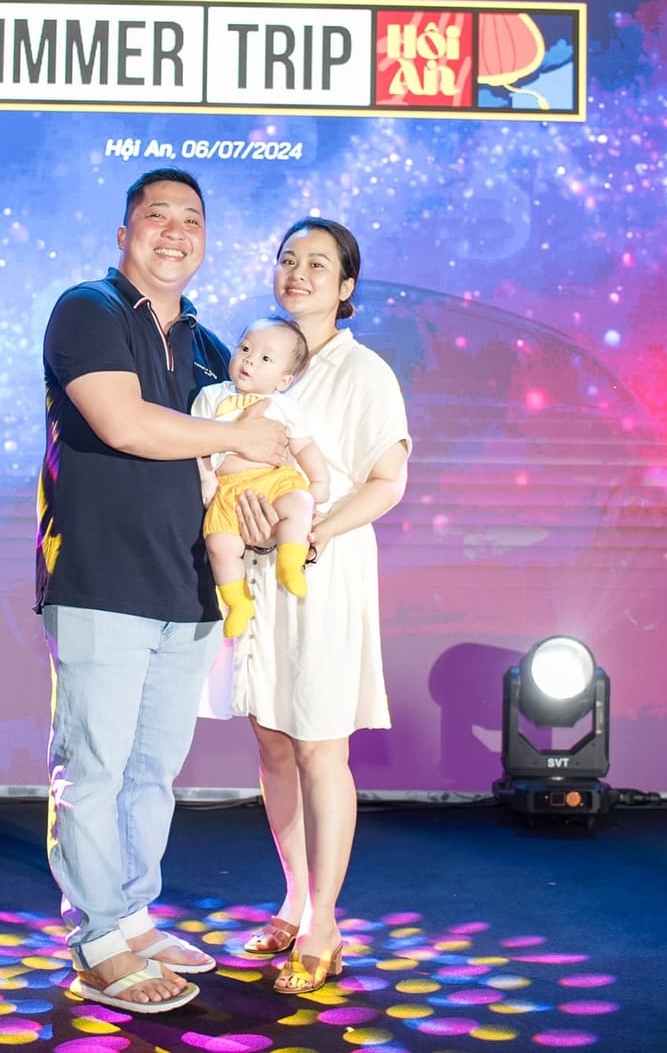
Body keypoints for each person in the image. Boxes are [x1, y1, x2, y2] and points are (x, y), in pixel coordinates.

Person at [37, 167, 291, 1016]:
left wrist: (269, 497)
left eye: (192, 219)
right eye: (157, 216)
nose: (175, 231)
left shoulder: (216, 349)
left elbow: (245, 460)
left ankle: (133, 917)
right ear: (125, 234)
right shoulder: (89, 310)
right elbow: (124, 423)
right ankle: (96, 940)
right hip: (100, 578)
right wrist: (237, 436)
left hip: (188, 585)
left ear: (206, 240)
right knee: (95, 770)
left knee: (151, 773)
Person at [218, 218, 411, 995]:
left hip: (321, 574)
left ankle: (325, 922)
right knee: (272, 743)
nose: (298, 273)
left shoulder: (363, 372)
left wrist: (317, 534)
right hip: (256, 579)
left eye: (318, 264)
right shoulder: (258, 358)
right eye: (288, 259)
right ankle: (295, 900)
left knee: (318, 747)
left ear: (347, 285)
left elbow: (388, 481)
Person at [191, 316, 331, 637]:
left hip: (271, 479)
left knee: (299, 502)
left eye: (265, 358)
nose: (250, 360)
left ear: (283, 381)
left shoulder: (283, 406)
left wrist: (319, 480)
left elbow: (304, 446)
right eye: (245, 349)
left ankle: (290, 564)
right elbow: (197, 442)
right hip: (227, 489)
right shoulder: (210, 396)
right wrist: (207, 477)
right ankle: (237, 602)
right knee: (219, 545)